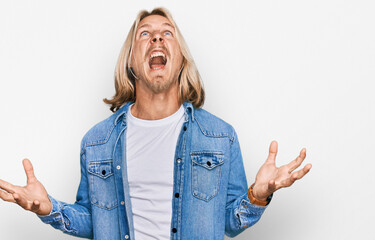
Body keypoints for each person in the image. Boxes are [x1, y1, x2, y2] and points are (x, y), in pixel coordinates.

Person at [0, 7, 312, 240]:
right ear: (131, 61)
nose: (157, 37)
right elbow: (96, 222)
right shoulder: (97, 142)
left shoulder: (219, 136)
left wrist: (258, 194)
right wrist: (48, 208)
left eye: (167, 33)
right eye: (144, 34)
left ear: (181, 60)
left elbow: (229, 222)